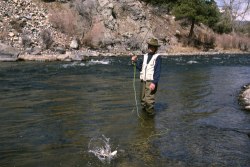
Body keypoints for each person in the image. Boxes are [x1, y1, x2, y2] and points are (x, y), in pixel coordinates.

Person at [131, 38, 162, 116]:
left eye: (153, 47)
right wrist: (134, 61)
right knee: (142, 100)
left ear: (156, 48)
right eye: (150, 46)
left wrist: (154, 83)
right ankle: (145, 117)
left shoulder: (158, 57)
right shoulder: (144, 56)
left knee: (149, 101)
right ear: (148, 46)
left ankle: (151, 117)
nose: (151, 48)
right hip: (143, 81)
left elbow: (158, 71)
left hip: (151, 82)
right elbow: (140, 68)